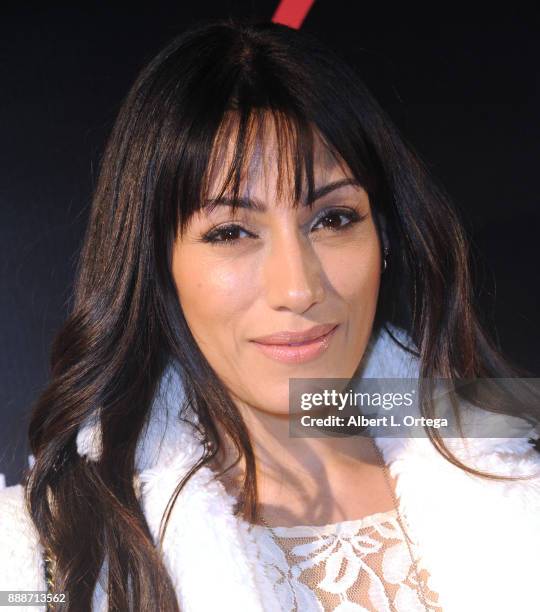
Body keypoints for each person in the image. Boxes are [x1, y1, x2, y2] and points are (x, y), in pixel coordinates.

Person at [1, 16, 539, 612]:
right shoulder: (37, 561)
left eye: (333, 219)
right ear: (156, 264)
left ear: (384, 236)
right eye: (231, 231)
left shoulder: (514, 468)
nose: (298, 286)